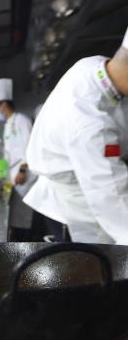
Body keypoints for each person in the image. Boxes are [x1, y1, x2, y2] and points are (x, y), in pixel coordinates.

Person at [24, 26, 128, 244]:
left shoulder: (92, 66)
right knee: (100, 266)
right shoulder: (89, 123)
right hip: (79, 206)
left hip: (88, 186)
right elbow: (110, 196)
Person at [0, 78, 40, 241]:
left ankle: (32, 243)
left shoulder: (22, 120)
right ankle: (23, 243)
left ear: (3, 104)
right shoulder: (9, 124)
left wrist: (23, 169)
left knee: (27, 219)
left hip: (26, 176)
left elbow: (30, 147)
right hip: (15, 178)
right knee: (19, 219)